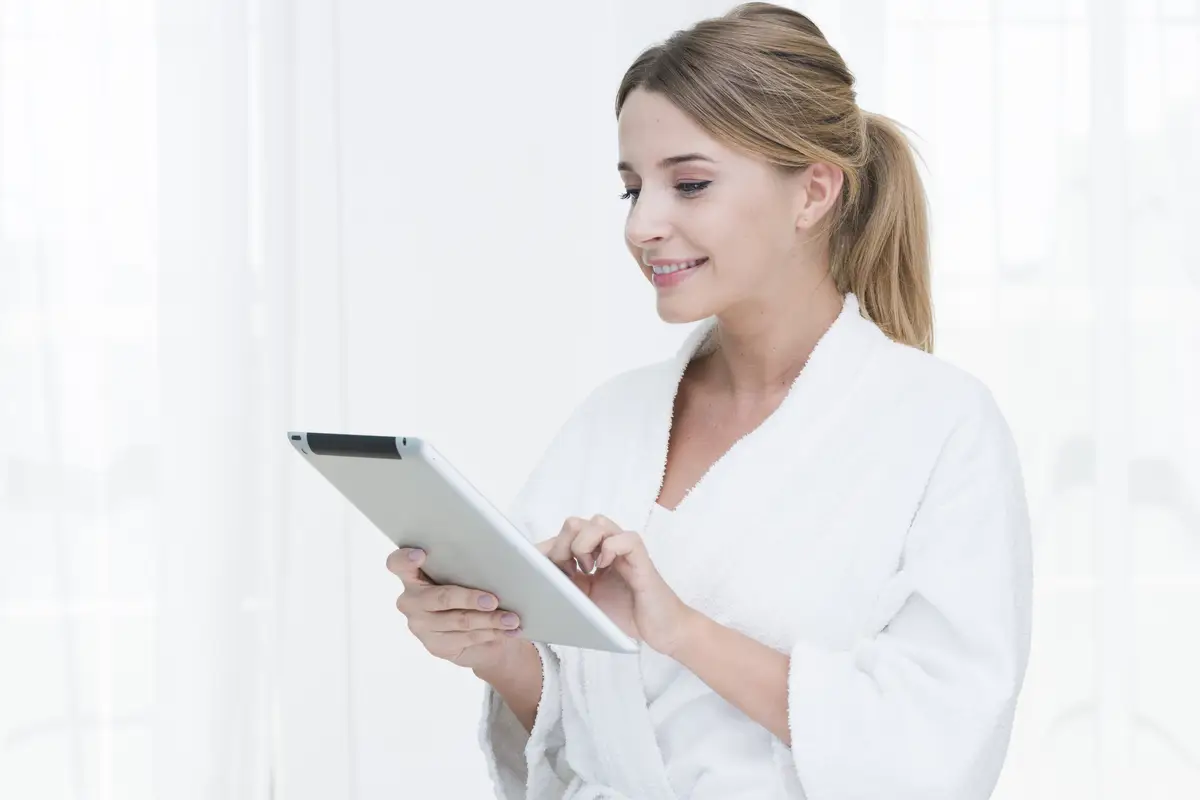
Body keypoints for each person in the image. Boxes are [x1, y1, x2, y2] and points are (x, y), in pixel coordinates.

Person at [385, 3, 1032, 798]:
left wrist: (682, 629)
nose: (644, 225)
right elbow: (572, 737)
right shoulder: (609, 422)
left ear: (814, 192)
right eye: (632, 189)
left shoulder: (939, 426)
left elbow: (939, 744)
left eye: (689, 184)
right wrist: (494, 648)